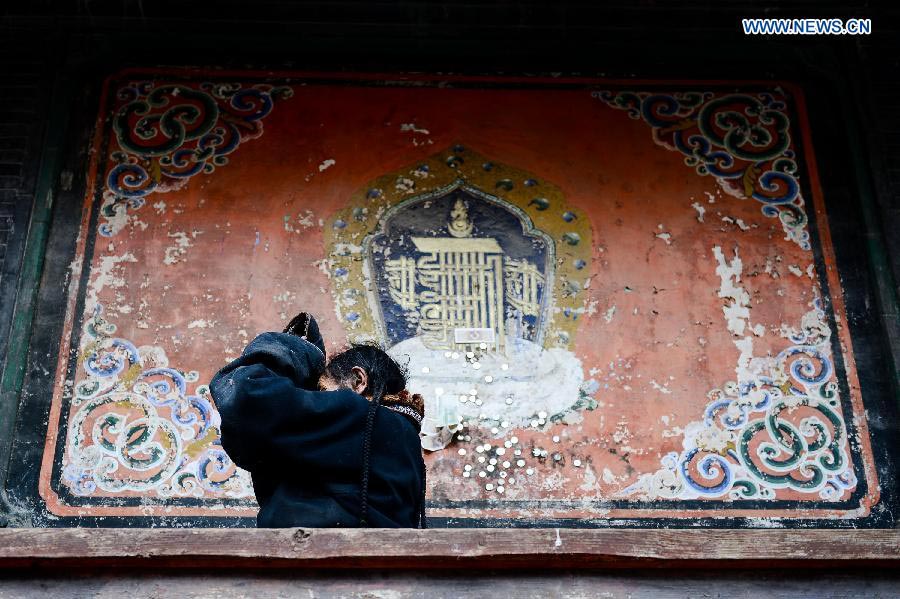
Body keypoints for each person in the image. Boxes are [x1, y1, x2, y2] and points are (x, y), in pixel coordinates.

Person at [210, 312, 427, 528]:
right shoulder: (403, 437)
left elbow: (246, 396)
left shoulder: (358, 414)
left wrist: (296, 351)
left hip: (323, 553)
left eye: (323, 391)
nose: (320, 401)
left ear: (358, 381)